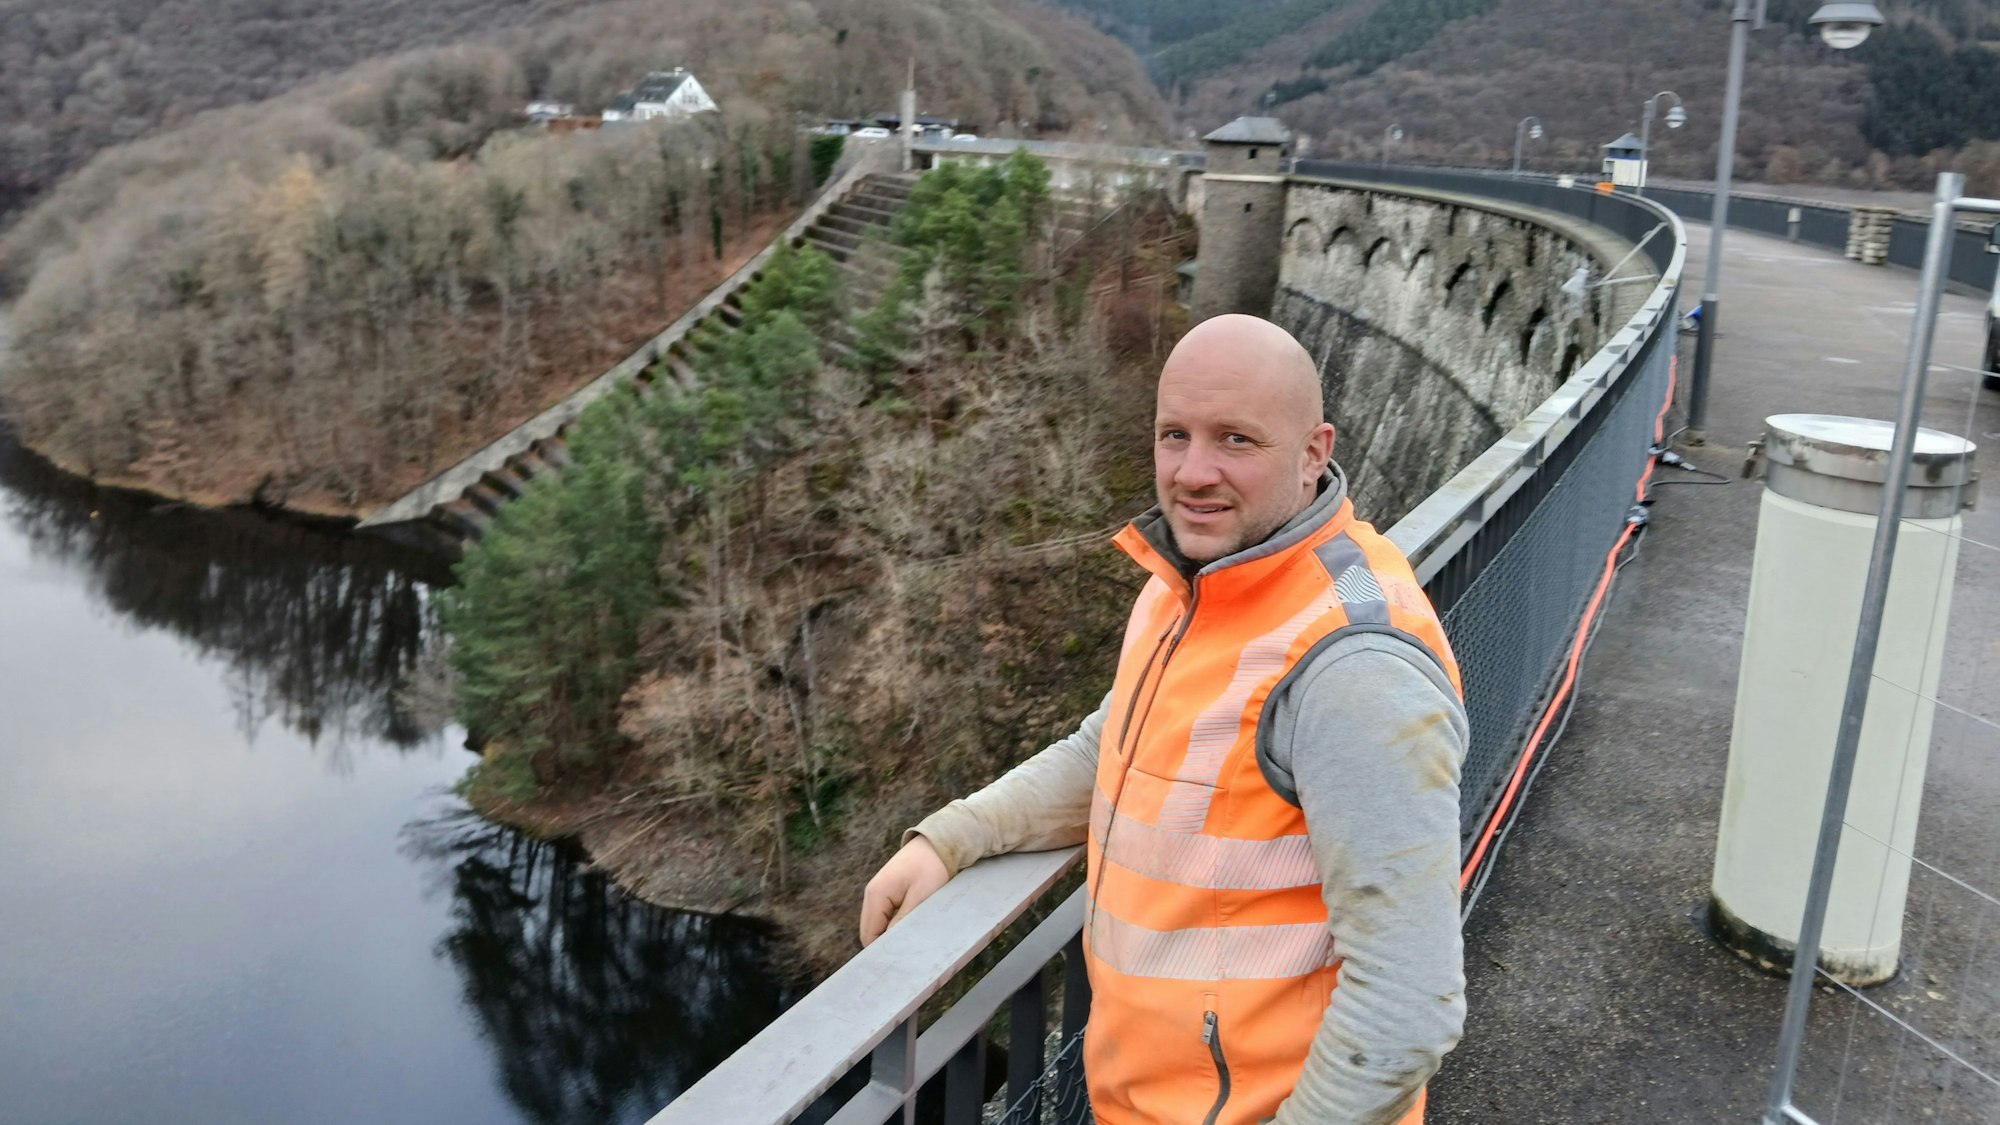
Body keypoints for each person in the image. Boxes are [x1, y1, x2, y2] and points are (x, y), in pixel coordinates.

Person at [859, 313, 1469, 1125]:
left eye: (1235, 439)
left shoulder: (1352, 667)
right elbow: (1110, 749)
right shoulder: (1194, 583)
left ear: (1313, 453)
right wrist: (954, 836)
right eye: (1174, 434)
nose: (1193, 471)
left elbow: (1407, 1000)